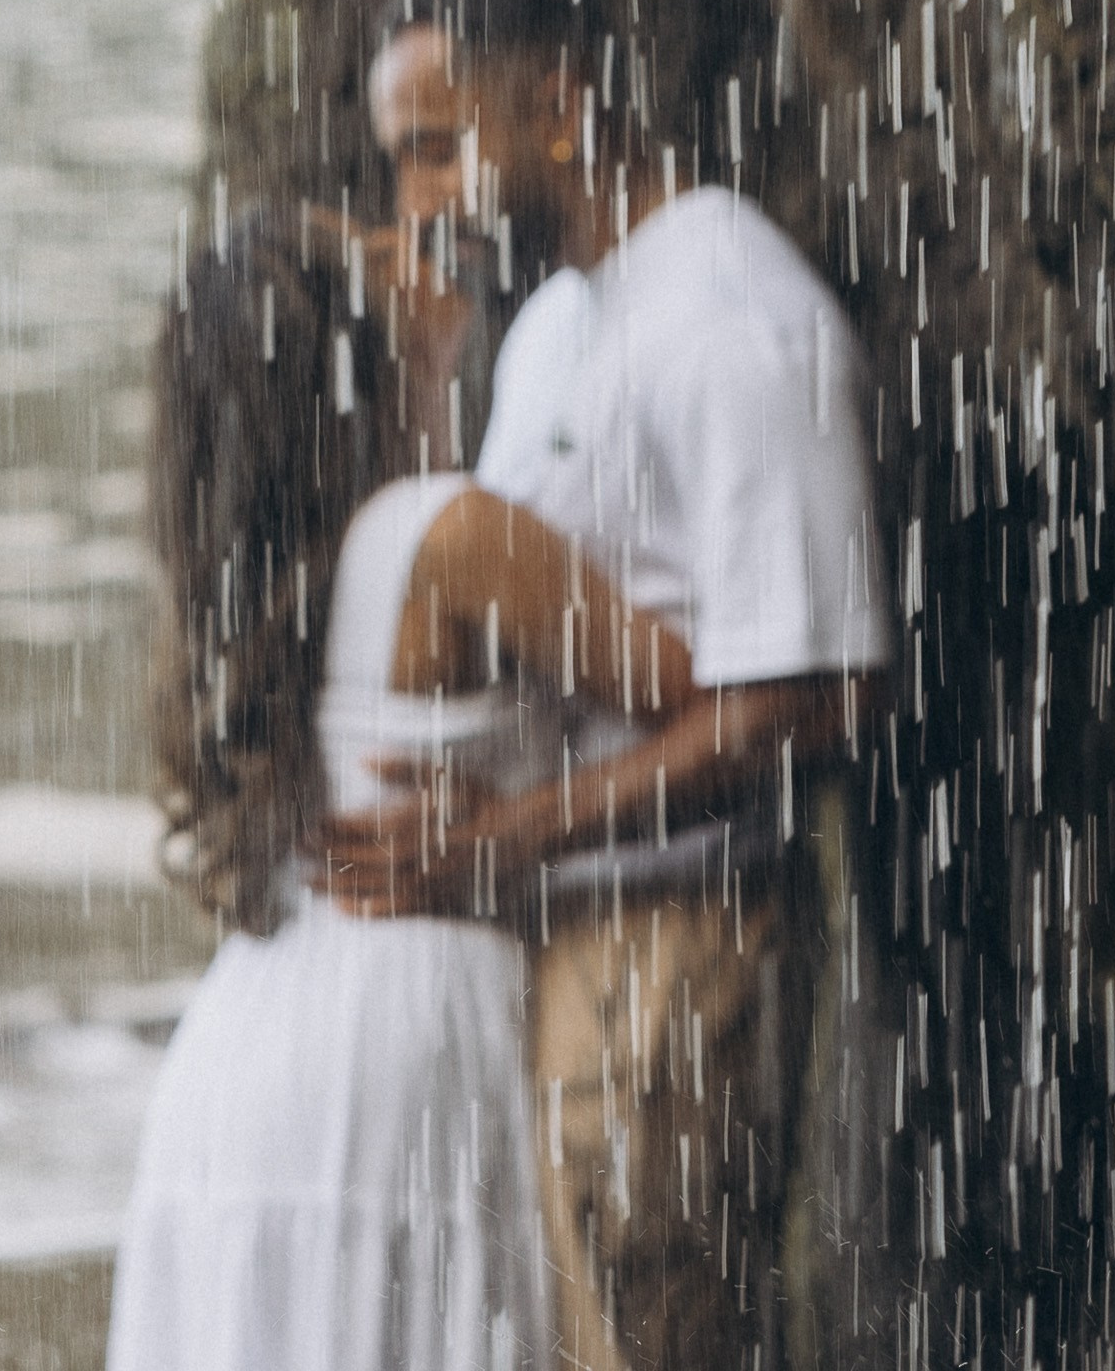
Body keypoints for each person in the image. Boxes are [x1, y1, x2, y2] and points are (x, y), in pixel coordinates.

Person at [108, 223, 800, 1371]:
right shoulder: (449, 533)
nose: (407, 243)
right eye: (372, 256)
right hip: (397, 1028)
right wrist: (525, 831)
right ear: (345, 352)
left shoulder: (245, 573)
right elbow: (720, 707)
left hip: (247, 1044)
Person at [349, 0, 891, 1371]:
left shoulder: (729, 319)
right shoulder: (550, 329)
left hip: (675, 945)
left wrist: (513, 837)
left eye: (438, 144)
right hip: (546, 935)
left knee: (651, 1336)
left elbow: (810, 700)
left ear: (558, 107)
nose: (423, 195)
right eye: (403, 158)